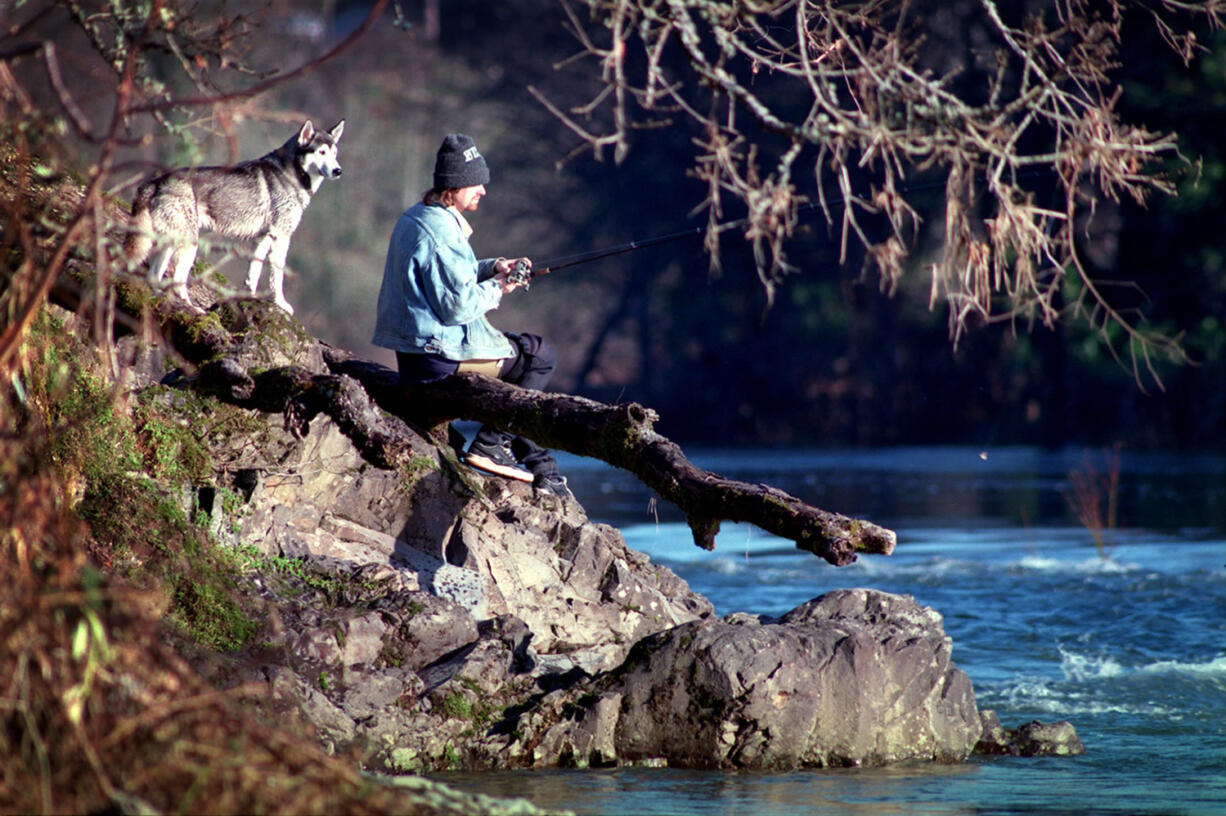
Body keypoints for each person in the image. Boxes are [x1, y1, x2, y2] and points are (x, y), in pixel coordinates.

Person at [372, 133, 571, 499]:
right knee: (539, 356)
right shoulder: (442, 231)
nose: (482, 190)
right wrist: (501, 287)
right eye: (475, 183)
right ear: (455, 185)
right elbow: (457, 307)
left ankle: (538, 465)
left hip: (418, 354)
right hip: (436, 360)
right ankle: (492, 446)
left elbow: (445, 277)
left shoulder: (420, 217)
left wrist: (494, 267)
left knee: (520, 352)